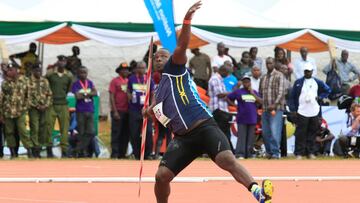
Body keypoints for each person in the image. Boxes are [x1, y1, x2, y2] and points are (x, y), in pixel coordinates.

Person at [142, 2, 273, 203]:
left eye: (163, 56)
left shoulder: (174, 69)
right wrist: (149, 112)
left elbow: (182, 45)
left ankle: (257, 192)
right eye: (156, 58)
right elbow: (158, 114)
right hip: (184, 138)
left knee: (226, 160)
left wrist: (186, 20)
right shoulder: (158, 91)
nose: (159, 59)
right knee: (161, 177)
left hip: (203, 126)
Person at [289, 63, 331, 159]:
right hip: (301, 111)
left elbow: (328, 90)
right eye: (306, 71)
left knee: (312, 132)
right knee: (300, 133)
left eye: (309, 71)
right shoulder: (298, 82)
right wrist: (293, 109)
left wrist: (320, 97)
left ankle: (310, 152)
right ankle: (299, 153)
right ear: (304, 71)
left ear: (312, 71)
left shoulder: (317, 82)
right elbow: (292, 97)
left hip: (314, 111)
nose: (307, 73)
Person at [0, 64, 34, 158]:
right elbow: (1, 98)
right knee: (9, 132)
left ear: (16, 70)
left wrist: (25, 107)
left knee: (23, 131)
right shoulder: (5, 83)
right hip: (8, 112)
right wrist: (1, 114)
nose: (8, 72)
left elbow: (29, 96)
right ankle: (13, 153)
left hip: (20, 111)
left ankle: (29, 151)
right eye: (8, 70)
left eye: (10, 70)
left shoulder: (24, 81)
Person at [227, 74, 262, 159]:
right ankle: (240, 154)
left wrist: (252, 93)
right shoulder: (238, 92)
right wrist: (235, 106)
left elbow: (261, 102)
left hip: (252, 118)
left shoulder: (254, 92)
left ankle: (249, 154)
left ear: (250, 83)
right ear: (242, 83)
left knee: (251, 138)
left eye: (248, 82)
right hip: (242, 117)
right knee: (242, 137)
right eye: (245, 82)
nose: (246, 83)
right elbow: (228, 98)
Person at [259, 57, 286, 159]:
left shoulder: (279, 75)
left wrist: (274, 104)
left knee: (275, 131)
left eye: (270, 63)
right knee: (266, 132)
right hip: (265, 108)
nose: (268, 65)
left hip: (276, 108)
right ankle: (269, 152)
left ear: (274, 63)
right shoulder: (264, 77)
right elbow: (261, 92)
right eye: (267, 63)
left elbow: (281, 92)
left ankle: (275, 153)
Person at [46, 55, 73, 157]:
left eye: (64, 61)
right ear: (57, 62)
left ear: (66, 63)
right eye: (60, 61)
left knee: (64, 129)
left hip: (63, 104)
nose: (62, 63)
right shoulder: (50, 74)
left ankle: (64, 151)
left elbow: (68, 88)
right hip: (51, 104)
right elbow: (45, 84)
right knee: (49, 127)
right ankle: (49, 150)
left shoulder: (69, 75)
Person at [127, 61, 154, 160]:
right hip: (134, 110)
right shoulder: (132, 79)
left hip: (146, 110)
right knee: (134, 133)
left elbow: (152, 93)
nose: (141, 70)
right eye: (139, 68)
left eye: (143, 68)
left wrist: (151, 107)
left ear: (146, 68)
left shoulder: (149, 79)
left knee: (148, 132)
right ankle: (137, 154)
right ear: (136, 69)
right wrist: (129, 97)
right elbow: (128, 90)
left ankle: (148, 154)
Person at [71, 66, 97, 157]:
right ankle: (82, 152)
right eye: (81, 72)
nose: (83, 74)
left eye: (85, 72)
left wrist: (84, 94)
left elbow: (95, 93)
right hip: (80, 111)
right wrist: (89, 94)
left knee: (90, 132)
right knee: (81, 132)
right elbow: (77, 96)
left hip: (90, 110)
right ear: (78, 74)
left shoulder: (90, 82)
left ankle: (77, 149)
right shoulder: (76, 84)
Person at [208, 65, 234, 153]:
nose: (228, 75)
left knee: (224, 132)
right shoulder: (215, 79)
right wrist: (233, 92)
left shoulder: (220, 79)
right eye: (227, 73)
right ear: (223, 71)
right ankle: (219, 151)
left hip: (222, 109)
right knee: (220, 133)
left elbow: (224, 96)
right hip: (218, 110)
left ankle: (226, 151)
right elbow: (219, 94)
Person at [28, 65, 53, 158]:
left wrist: (45, 105)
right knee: (34, 127)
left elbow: (49, 94)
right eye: (36, 71)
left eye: (40, 71)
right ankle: (35, 148)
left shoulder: (45, 81)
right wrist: (37, 105)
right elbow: (27, 96)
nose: (39, 72)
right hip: (33, 108)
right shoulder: (28, 82)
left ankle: (41, 147)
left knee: (43, 127)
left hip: (44, 108)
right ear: (33, 71)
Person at [109, 62, 130, 159]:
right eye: (123, 70)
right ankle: (114, 153)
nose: (125, 71)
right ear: (119, 71)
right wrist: (115, 111)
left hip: (128, 111)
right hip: (118, 111)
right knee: (116, 133)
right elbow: (111, 96)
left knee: (125, 134)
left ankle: (122, 154)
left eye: (127, 70)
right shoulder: (115, 81)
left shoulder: (129, 81)